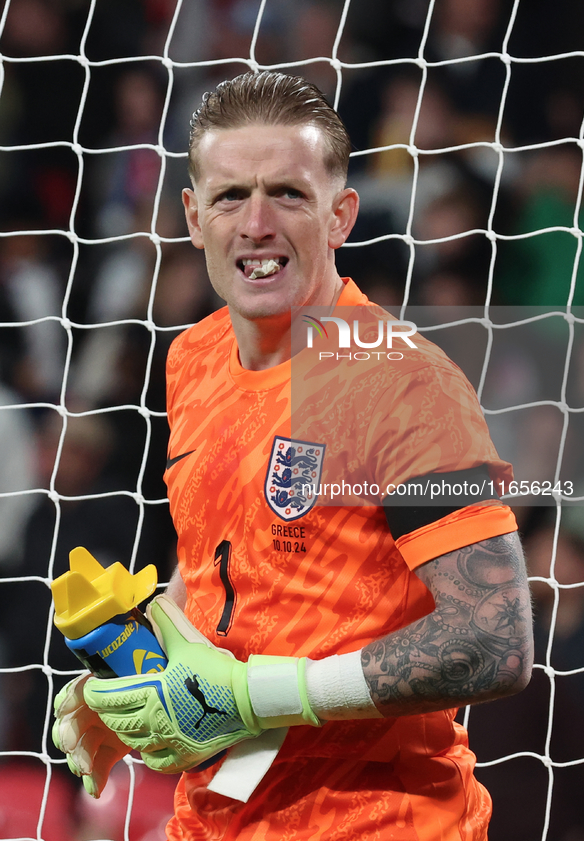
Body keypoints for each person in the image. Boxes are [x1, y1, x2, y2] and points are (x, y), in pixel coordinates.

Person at [52, 71, 534, 840]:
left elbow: (493, 639)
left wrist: (253, 697)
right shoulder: (193, 359)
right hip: (215, 818)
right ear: (193, 216)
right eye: (230, 196)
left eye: (288, 193)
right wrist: (134, 680)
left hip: (380, 823)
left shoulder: (401, 385)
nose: (256, 222)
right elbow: (219, 561)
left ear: (340, 213)